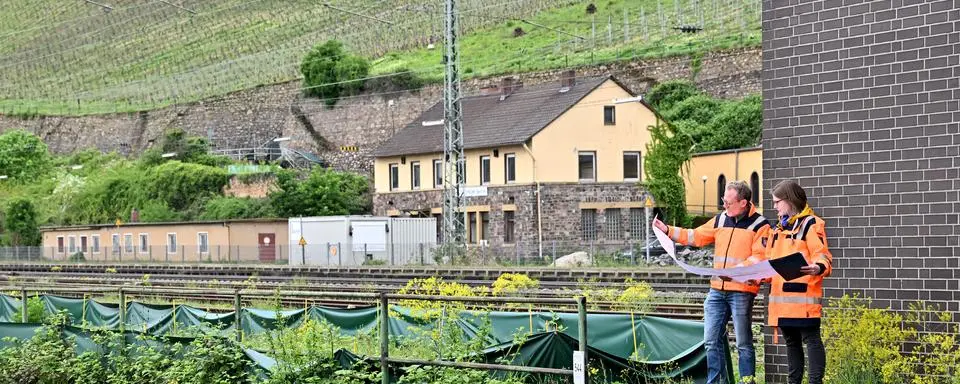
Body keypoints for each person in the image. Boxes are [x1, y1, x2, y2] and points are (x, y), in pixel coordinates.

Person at [654, 181, 770, 384]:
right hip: (717, 290)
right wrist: (668, 230)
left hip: (742, 291)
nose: (724, 205)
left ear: (743, 203)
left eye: (728, 202)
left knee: (743, 343)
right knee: (710, 341)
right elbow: (696, 236)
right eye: (723, 200)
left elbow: (759, 258)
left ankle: (747, 381)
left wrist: (734, 273)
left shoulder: (760, 225)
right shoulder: (721, 219)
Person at [763, 180, 832, 384]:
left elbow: (823, 255)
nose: (774, 206)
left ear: (790, 200)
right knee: (792, 343)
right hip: (782, 303)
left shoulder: (811, 224)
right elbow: (769, 262)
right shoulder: (777, 229)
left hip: (804, 301)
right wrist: (754, 274)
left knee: (811, 341)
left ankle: (814, 382)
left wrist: (818, 267)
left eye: (777, 202)